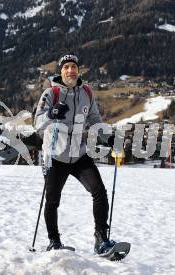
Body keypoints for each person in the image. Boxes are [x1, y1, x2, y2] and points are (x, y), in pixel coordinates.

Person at [34, 54, 116, 254]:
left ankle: (101, 239)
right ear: (60, 71)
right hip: (54, 155)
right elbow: (37, 123)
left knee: (99, 191)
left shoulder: (86, 92)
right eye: (66, 67)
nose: (70, 70)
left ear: (79, 71)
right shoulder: (50, 92)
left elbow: (95, 118)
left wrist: (110, 138)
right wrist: (51, 113)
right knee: (52, 200)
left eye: (74, 67)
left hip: (78, 154)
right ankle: (54, 241)